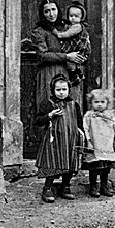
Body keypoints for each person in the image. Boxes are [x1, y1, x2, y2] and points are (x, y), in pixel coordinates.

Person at [34, 74, 85, 202]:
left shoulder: (74, 104)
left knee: (70, 163)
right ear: (53, 90)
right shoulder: (48, 104)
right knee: (53, 164)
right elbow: (38, 121)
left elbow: (79, 122)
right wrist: (50, 115)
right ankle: (47, 188)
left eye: (64, 89)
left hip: (70, 140)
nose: (61, 92)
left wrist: (81, 136)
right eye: (58, 90)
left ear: (69, 90)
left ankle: (65, 187)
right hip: (54, 141)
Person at [30, 0, 86, 103]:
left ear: (58, 10)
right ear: (42, 13)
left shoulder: (67, 27)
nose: (51, 14)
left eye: (53, 9)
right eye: (47, 11)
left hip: (68, 72)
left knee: (70, 104)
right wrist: (67, 56)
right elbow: (43, 55)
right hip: (49, 71)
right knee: (51, 103)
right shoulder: (39, 31)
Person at [82, 88, 115, 198]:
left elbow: (114, 128)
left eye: (102, 102)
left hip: (107, 145)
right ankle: (93, 187)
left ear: (107, 103)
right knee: (94, 166)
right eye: (96, 102)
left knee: (106, 167)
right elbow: (85, 128)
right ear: (91, 102)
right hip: (95, 144)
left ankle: (104, 186)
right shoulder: (89, 115)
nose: (99, 104)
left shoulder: (110, 115)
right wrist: (88, 141)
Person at [51, 1, 91, 89]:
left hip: (78, 49)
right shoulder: (70, 25)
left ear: (82, 17)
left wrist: (56, 33)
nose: (73, 18)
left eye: (76, 16)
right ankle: (78, 73)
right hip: (74, 49)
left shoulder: (77, 26)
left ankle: (75, 76)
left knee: (71, 64)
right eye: (71, 16)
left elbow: (67, 34)